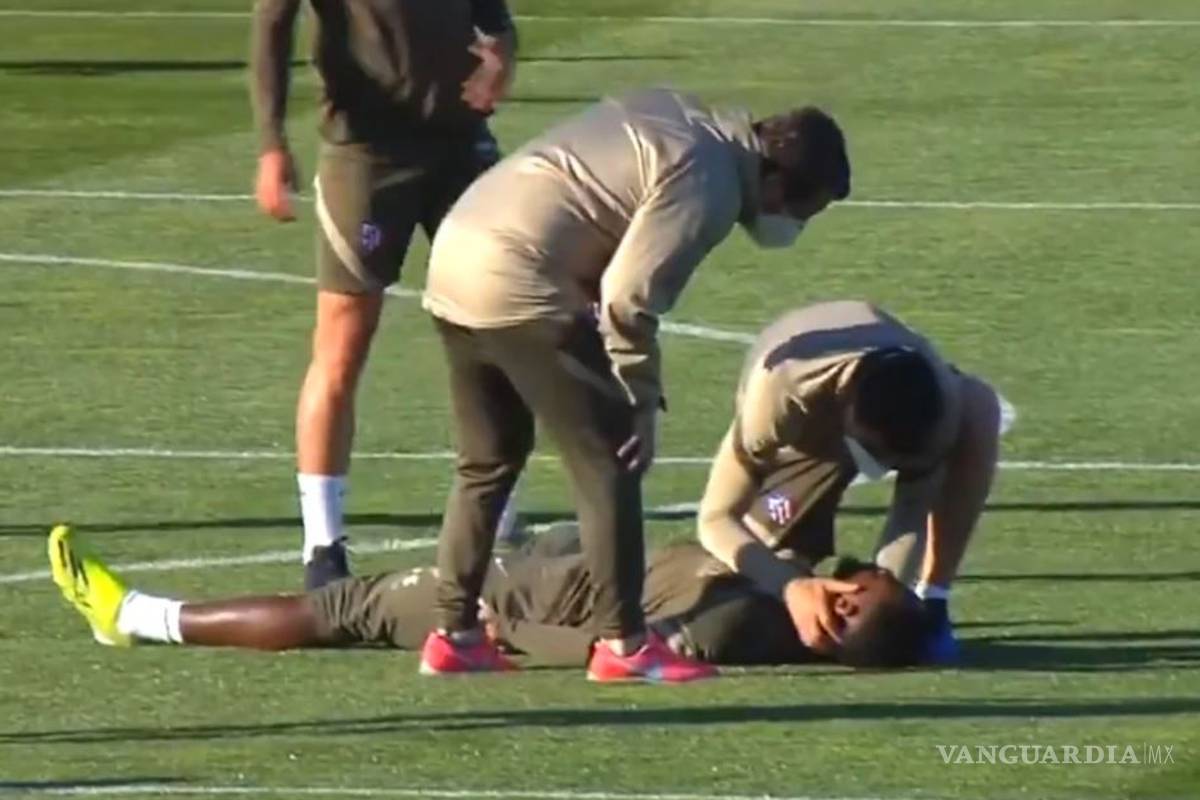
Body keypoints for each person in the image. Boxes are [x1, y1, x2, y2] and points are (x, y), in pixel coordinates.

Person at [420, 87, 852, 681]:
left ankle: (454, 635)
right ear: (779, 182)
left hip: (453, 255)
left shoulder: (687, 115)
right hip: (519, 277)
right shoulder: (716, 182)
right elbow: (628, 298)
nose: (794, 225)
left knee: (487, 462)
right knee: (611, 462)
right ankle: (625, 646)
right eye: (805, 210)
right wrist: (640, 398)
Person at [250, 0, 519, 589]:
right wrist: (271, 143)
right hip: (367, 155)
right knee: (342, 342)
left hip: (460, 144)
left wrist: (500, 60)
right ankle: (323, 545)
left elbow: (495, 21)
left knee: (500, 326)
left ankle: (503, 524)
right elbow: (273, 22)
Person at [47, 524, 924, 670]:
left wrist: (502, 633)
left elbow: (613, 650)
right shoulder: (779, 580)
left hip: (506, 596)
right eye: (861, 583)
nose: (844, 588)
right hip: (539, 562)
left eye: (854, 604)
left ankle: (131, 618)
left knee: (343, 610)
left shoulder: (738, 623)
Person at [696, 300, 1002, 664]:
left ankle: (935, 597)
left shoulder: (942, 406)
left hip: (884, 406)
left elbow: (912, 507)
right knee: (759, 571)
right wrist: (789, 585)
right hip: (809, 433)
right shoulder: (781, 396)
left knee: (980, 406)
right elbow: (716, 518)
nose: (882, 467)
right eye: (877, 453)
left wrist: (890, 605)